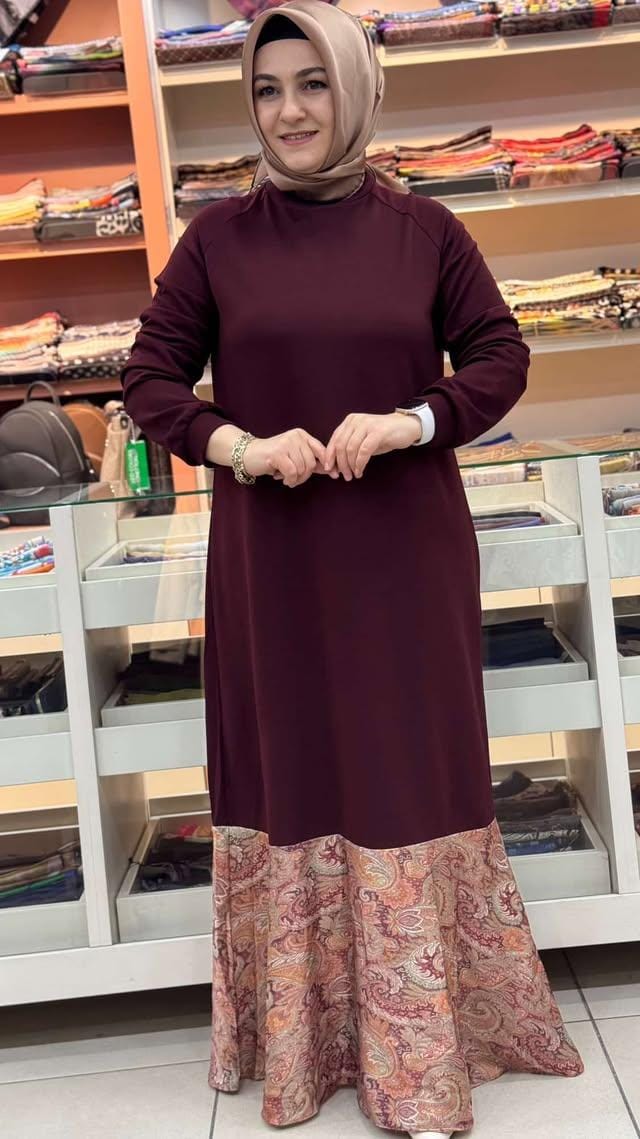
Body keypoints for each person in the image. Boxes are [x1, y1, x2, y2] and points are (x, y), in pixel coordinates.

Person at [120, 1, 584, 1134]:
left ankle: (424, 1053)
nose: (289, 112)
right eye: (267, 89)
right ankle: (310, 1041)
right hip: (272, 563)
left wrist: (413, 420)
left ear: (356, 89)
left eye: (312, 83)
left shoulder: (425, 231)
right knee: (296, 769)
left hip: (403, 555)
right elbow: (149, 378)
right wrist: (238, 445)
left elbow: (500, 354)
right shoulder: (218, 241)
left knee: (403, 767)